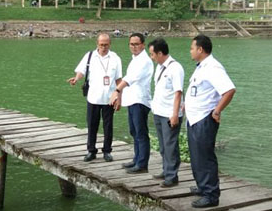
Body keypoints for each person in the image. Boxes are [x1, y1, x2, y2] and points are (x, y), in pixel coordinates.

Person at [185, 35, 235, 208]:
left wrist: (217, 110)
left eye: (192, 48)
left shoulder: (213, 67)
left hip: (204, 117)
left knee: (205, 156)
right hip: (194, 118)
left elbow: (229, 90)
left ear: (200, 49)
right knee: (196, 155)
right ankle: (202, 185)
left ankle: (211, 195)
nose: (190, 51)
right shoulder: (201, 67)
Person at [67, 33, 122, 162]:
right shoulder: (90, 56)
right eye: (101, 44)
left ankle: (107, 151)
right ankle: (91, 150)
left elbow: (119, 79)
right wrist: (76, 79)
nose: (103, 47)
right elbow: (81, 71)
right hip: (93, 97)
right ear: (97, 44)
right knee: (92, 125)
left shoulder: (115, 58)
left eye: (106, 45)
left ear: (110, 44)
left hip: (109, 97)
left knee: (108, 126)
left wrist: (119, 97)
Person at [110, 33, 153, 173]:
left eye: (136, 44)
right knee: (134, 131)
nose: (134, 47)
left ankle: (142, 164)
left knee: (141, 132)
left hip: (140, 100)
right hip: (132, 100)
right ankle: (137, 158)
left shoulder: (144, 60)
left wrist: (117, 91)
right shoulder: (135, 59)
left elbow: (131, 78)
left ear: (143, 45)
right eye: (131, 44)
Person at [147, 37, 184, 187]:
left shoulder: (176, 68)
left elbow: (178, 93)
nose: (152, 57)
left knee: (170, 145)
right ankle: (166, 169)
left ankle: (172, 175)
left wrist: (175, 114)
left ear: (160, 53)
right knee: (163, 145)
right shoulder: (160, 67)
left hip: (169, 113)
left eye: (152, 54)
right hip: (159, 111)